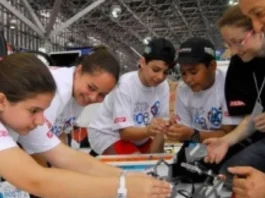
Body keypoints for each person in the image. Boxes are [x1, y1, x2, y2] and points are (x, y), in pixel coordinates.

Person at [0, 52, 172, 198]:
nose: (40, 121)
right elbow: (36, 179)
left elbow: (64, 156)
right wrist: (122, 187)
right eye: (33, 110)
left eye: (101, 95)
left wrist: (127, 176)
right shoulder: (60, 89)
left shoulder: (69, 96)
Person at [202, 5, 265, 197]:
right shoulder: (240, 65)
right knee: (228, 173)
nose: (234, 50)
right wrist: (225, 141)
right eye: (229, 44)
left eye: (238, 42)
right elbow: (252, 117)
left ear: (259, 29)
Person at [88, 38, 176, 155]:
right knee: (137, 167)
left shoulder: (163, 86)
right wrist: (149, 131)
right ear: (142, 62)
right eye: (155, 70)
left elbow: (160, 128)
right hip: (109, 134)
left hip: (141, 136)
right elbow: (124, 133)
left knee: (156, 166)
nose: (160, 77)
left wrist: (155, 157)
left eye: (166, 72)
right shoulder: (125, 85)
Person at [166, 37, 241, 143]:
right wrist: (176, 131)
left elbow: (228, 133)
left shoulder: (229, 84)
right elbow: (185, 135)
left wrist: (192, 135)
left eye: (193, 72)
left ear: (212, 66)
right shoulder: (183, 90)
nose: (188, 79)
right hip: (197, 147)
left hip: (228, 146)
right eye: (183, 73)